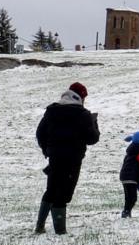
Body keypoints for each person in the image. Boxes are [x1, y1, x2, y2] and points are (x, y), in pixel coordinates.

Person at [34, 82, 100, 234]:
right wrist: (94, 123)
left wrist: (47, 150)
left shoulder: (52, 111)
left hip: (55, 158)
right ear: (80, 97)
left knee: (51, 190)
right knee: (64, 194)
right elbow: (92, 139)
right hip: (73, 159)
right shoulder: (82, 114)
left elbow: (40, 133)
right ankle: (60, 231)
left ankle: (40, 225)